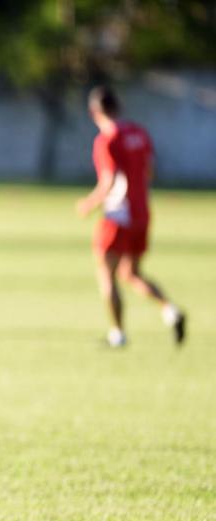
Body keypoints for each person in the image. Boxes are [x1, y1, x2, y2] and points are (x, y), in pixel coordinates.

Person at [76, 86, 186, 347]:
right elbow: (150, 172)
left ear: (94, 111)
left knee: (106, 272)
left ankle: (118, 334)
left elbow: (109, 180)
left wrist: (88, 204)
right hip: (142, 212)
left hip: (118, 215)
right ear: (119, 106)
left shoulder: (107, 140)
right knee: (130, 273)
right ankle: (170, 311)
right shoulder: (138, 132)